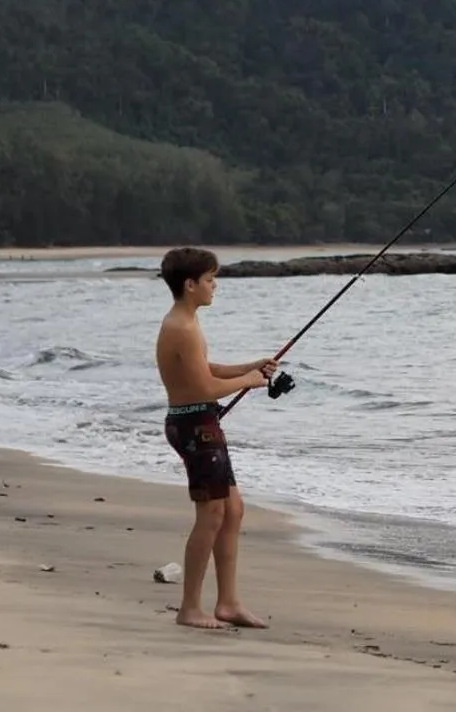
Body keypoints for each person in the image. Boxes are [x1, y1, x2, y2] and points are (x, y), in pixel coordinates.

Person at [155, 246, 275, 630]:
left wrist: (250, 367)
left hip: (200, 423)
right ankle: (190, 608)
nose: (215, 286)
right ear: (190, 284)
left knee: (233, 510)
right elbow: (206, 387)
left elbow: (204, 370)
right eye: (210, 279)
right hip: (194, 427)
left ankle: (228, 603)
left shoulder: (185, 322)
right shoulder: (181, 328)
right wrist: (249, 381)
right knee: (211, 514)